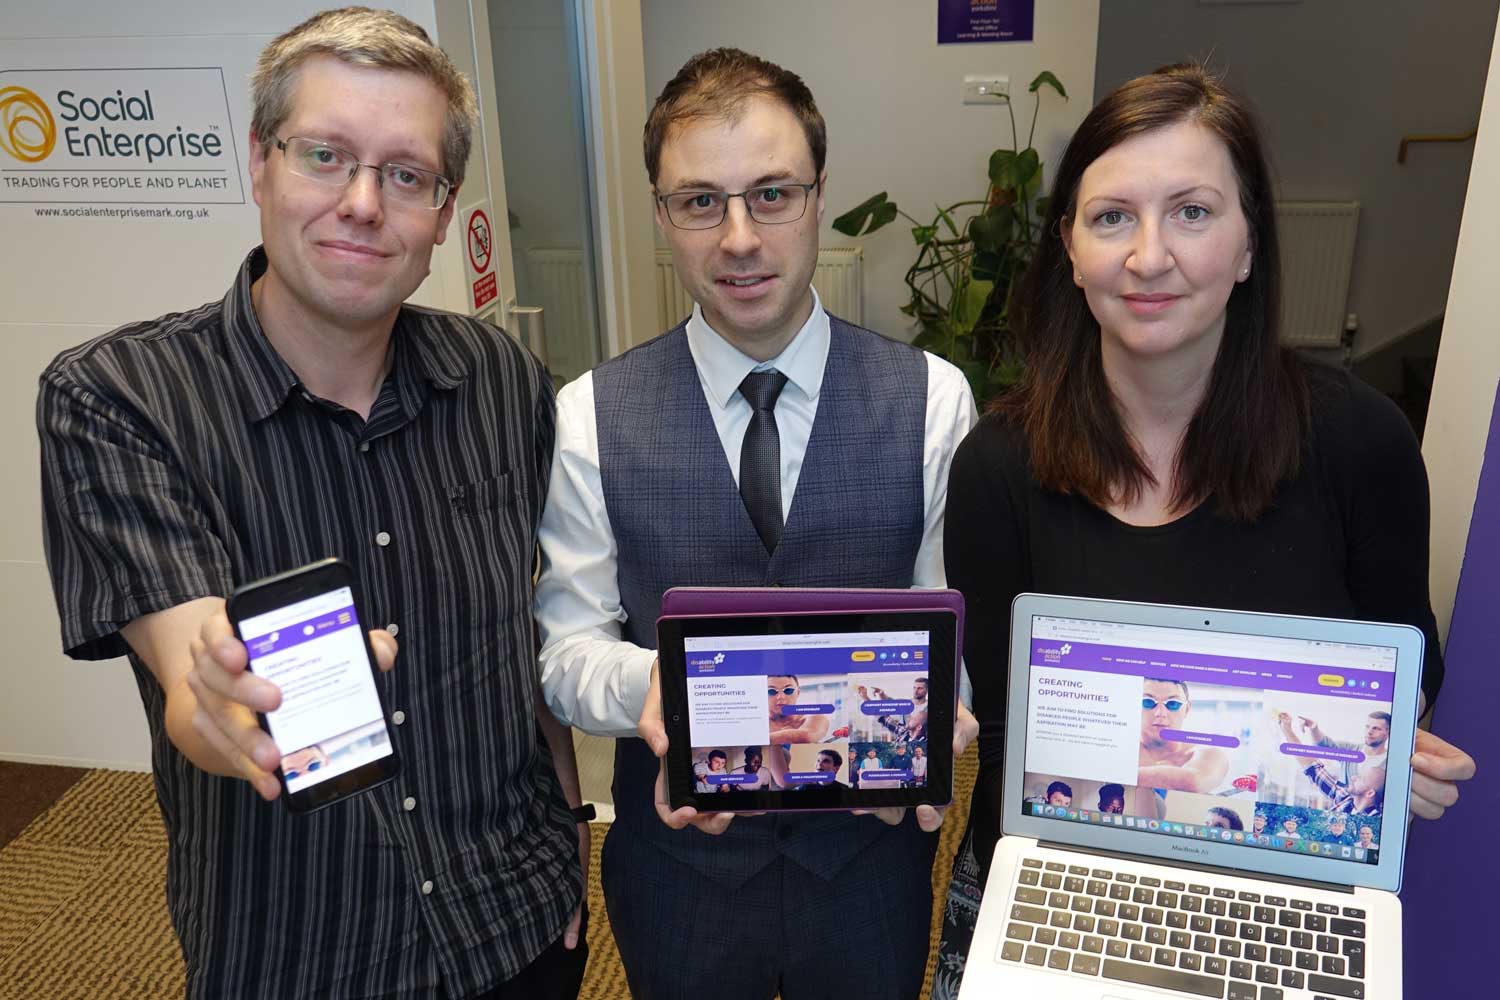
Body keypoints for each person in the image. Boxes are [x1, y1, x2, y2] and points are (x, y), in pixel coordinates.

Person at [35, 10, 588, 999]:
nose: (363, 203)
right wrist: (223, 697)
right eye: (326, 156)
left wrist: (573, 836)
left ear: (440, 209)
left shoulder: (500, 377)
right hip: (302, 953)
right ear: (261, 163)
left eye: (406, 175)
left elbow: (530, 633)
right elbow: (193, 667)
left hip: (520, 921)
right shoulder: (118, 397)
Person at [934, 61, 1477, 982]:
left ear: (1250, 243)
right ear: (1069, 247)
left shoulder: (1359, 442)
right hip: (1056, 885)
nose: (1151, 257)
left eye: (1192, 211)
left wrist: (1383, 747)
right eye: (1112, 217)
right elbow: (1003, 718)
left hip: (1279, 893)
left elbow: (1409, 665)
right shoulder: (998, 466)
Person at [533, 46, 978, 1000]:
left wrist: (948, 710)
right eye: (700, 202)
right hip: (680, 870)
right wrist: (665, 685)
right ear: (662, 215)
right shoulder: (589, 416)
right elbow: (566, 653)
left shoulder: (934, 399)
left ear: (819, 197)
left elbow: (950, 638)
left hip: (868, 867)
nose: (739, 237)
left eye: (771, 194)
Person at [1138, 678, 1228, 794]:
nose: (1160, 713)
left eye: (1173, 704)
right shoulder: (1120, 748)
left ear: (1187, 709)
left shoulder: (1209, 754)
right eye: (1148, 702)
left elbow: (1194, 782)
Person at [767, 674, 830, 743]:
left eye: (788, 690)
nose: (780, 697)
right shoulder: (757, 722)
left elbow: (806, 737)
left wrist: (759, 739)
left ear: (798, 693)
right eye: (771, 691)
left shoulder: (815, 717)